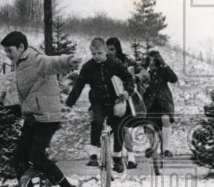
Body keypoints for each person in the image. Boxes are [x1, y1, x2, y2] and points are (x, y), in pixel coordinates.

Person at [0, 31, 82, 187]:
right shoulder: (19, 64)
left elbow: (51, 63)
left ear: (21, 47)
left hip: (47, 117)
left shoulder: (34, 59)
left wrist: (68, 60)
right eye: (5, 52)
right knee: (19, 159)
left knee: (36, 156)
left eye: (10, 50)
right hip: (34, 116)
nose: (8, 55)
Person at [66, 37, 136, 173]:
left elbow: (129, 79)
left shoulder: (115, 63)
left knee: (118, 126)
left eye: (99, 53)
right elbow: (78, 87)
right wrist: (69, 104)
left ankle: (117, 157)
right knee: (96, 121)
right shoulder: (87, 67)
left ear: (106, 52)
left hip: (116, 100)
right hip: (98, 101)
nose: (96, 57)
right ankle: (94, 152)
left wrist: (127, 92)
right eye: (93, 54)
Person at [106, 36, 146, 169]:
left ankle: (130, 157)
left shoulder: (127, 61)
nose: (110, 52)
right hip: (111, 98)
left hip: (127, 98)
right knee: (117, 128)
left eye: (112, 49)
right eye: (108, 49)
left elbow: (144, 74)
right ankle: (115, 159)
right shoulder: (105, 62)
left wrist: (135, 78)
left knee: (124, 127)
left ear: (117, 49)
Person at [141, 48, 178, 157]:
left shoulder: (163, 71)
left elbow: (173, 79)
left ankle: (166, 149)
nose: (152, 63)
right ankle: (153, 148)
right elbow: (137, 80)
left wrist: (164, 64)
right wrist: (143, 66)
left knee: (165, 119)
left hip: (163, 102)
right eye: (150, 61)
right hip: (149, 104)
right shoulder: (145, 73)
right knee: (149, 126)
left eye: (154, 60)